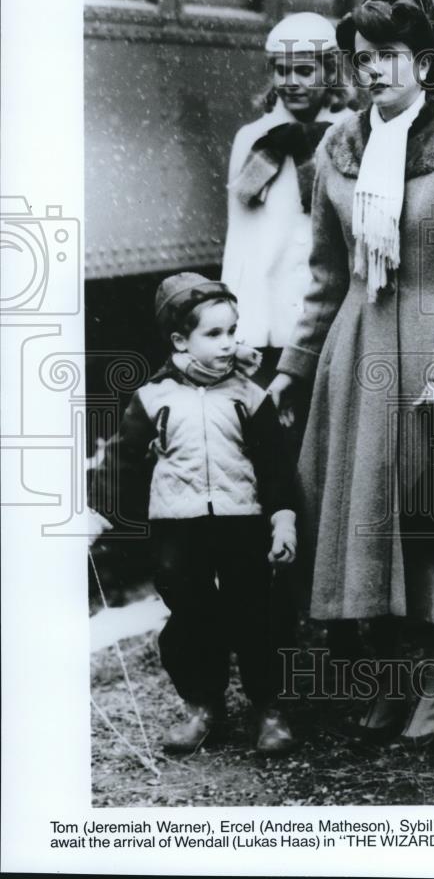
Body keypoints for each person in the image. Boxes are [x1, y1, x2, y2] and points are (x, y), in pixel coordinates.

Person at [267, 0, 434, 746]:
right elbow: (325, 270)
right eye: (362, 59)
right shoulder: (337, 145)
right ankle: (387, 680)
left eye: (389, 57)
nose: (373, 72)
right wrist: (293, 366)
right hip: (355, 353)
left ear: (425, 61)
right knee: (357, 521)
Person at [89, 273, 299, 756]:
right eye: (214, 334)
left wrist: (283, 517)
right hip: (177, 530)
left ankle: (269, 707)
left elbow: (274, 465)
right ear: (181, 340)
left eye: (232, 331)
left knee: (258, 615)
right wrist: (97, 511)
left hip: (242, 523)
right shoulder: (153, 398)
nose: (229, 344)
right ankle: (203, 706)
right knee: (190, 618)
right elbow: (121, 460)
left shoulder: (249, 396)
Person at [222, 11, 353, 391]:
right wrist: (236, 328)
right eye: (282, 70)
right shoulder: (254, 140)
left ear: (329, 72)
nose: (290, 82)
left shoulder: (351, 133)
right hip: (267, 321)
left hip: (329, 319)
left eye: (304, 71)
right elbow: (241, 241)